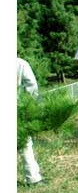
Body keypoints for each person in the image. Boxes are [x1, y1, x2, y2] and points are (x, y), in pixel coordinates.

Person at [17, 58, 46, 186]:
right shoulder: (19, 64)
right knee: (25, 143)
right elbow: (31, 85)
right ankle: (33, 177)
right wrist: (29, 104)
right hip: (18, 107)